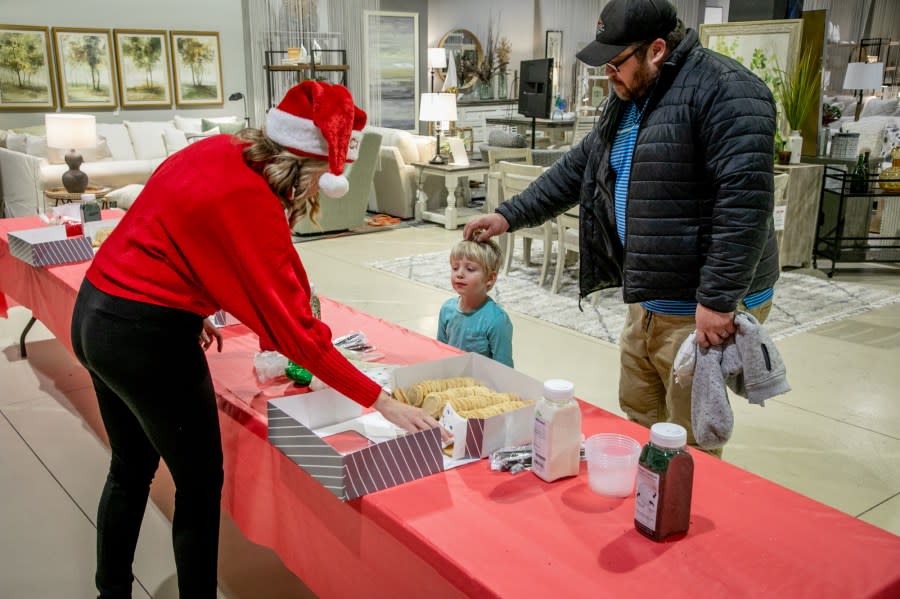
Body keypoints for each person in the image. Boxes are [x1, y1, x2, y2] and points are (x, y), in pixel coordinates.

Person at [70, 81, 446, 599]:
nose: (317, 193)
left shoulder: (222, 148)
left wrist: (188, 302)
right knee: (200, 485)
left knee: (131, 466)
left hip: (96, 308)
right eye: (322, 181)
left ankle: (110, 590)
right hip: (145, 337)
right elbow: (297, 336)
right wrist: (381, 401)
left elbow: (165, 227)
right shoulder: (254, 203)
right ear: (309, 168)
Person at [463, 0, 779, 455]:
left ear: (655, 50)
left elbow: (744, 204)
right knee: (639, 409)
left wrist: (718, 298)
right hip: (648, 291)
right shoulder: (629, 97)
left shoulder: (728, 92)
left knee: (689, 432)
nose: (608, 74)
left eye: (615, 63)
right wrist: (510, 215)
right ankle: (644, 493)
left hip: (699, 301)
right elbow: (579, 168)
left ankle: (676, 510)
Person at [437, 237, 514, 367]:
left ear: (490, 278)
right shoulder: (447, 309)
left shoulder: (497, 320)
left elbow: (504, 369)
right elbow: (440, 352)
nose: (459, 274)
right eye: (455, 268)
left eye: (470, 269)